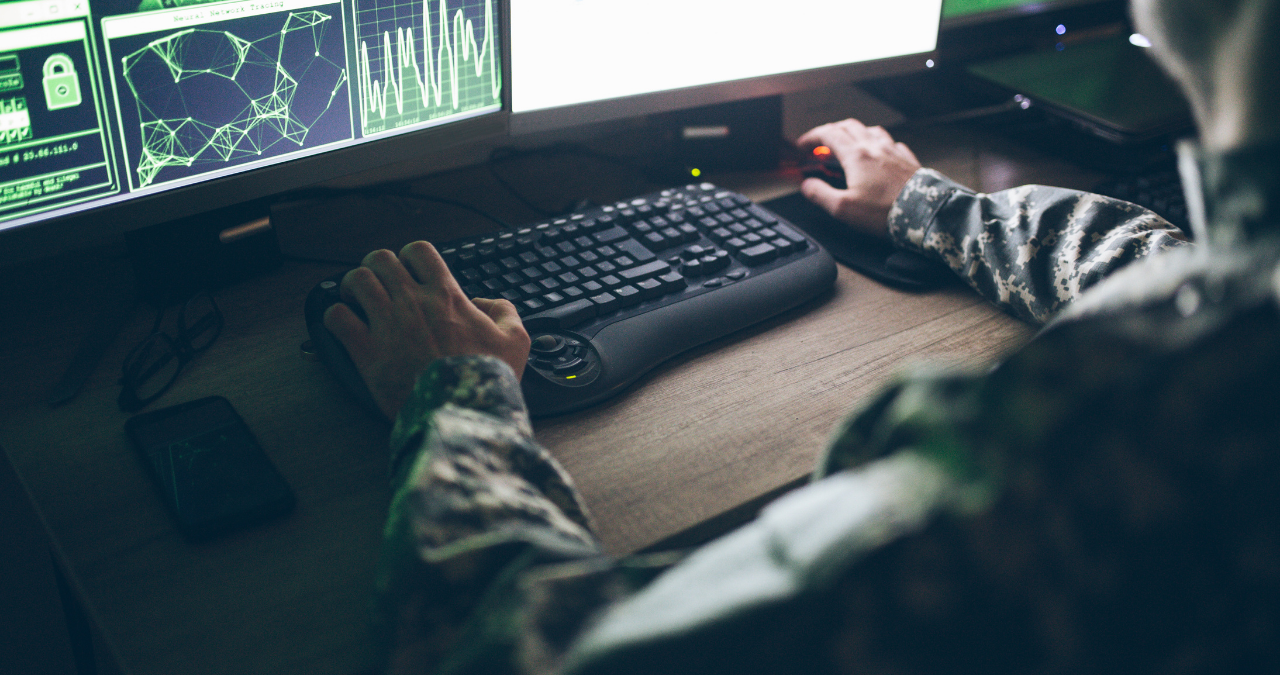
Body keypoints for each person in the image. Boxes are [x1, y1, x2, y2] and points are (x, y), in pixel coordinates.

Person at [323, 0, 1280, 671]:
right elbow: (1184, 272)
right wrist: (932, 207)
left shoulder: (1101, 451)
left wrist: (454, 394)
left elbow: (506, 658)